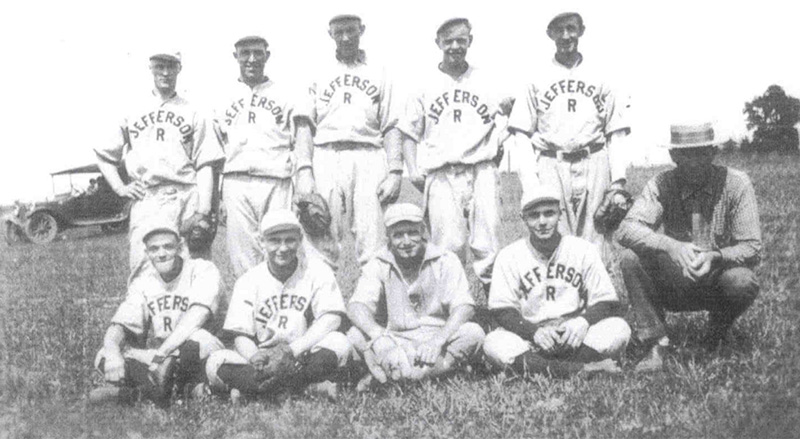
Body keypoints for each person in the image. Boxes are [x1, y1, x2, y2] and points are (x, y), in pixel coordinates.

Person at [617, 122, 761, 371]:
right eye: (686, 154)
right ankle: (655, 342)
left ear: (713, 152)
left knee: (743, 282)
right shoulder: (661, 183)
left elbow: (751, 246)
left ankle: (716, 333)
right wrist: (670, 245)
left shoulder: (737, 183)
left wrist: (716, 256)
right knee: (631, 258)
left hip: (719, 276)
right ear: (673, 156)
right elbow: (627, 228)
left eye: (701, 153)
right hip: (676, 278)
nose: (694, 162)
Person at [398, 18, 512, 292]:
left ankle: (497, 310)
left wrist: (499, 141)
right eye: (448, 40)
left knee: (489, 243)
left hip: (481, 168)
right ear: (438, 43)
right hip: (442, 172)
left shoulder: (485, 78)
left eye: (461, 40)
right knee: (448, 246)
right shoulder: (423, 84)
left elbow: (511, 111)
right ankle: (452, 310)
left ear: (470, 41)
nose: (455, 46)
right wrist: (413, 169)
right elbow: (408, 133)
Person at [95, 50, 224, 278]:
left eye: (171, 66)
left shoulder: (195, 109)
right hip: (148, 197)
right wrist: (120, 187)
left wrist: (203, 211)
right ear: (151, 68)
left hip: (186, 194)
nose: (165, 72)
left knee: (195, 267)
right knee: (144, 267)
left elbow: (205, 163)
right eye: (159, 66)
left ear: (179, 69)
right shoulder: (131, 108)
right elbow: (105, 155)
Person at [507, 12, 630, 249]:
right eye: (559, 30)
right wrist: (531, 181)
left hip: (593, 158)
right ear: (549, 34)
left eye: (571, 28)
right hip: (552, 162)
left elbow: (615, 131)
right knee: (555, 237)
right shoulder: (535, 77)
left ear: (581, 30)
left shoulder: (603, 75)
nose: (566, 35)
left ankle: (592, 286)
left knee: (596, 239)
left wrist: (618, 182)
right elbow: (521, 133)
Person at [483, 186, 630, 377]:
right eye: (534, 215)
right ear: (523, 219)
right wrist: (533, 332)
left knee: (619, 328)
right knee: (493, 342)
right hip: (531, 337)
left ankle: (535, 368)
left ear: (560, 214)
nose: (542, 221)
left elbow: (606, 301)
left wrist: (583, 322)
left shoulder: (583, 249)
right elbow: (502, 310)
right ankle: (583, 368)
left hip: (574, 336)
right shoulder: (509, 255)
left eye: (549, 213)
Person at [294, 14, 404, 268]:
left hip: (369, 155)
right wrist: (304, 170)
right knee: (320, 235)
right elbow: (304, 125)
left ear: (361, 31)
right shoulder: (316, 72)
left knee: (373, 236)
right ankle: (323, 306)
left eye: (351, 31)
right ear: (330, 34)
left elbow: (391, 124)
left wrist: (396, 171)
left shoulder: (379, 71)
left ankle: (374, 305)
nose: (345, 37)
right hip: (326, 154)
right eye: (339, 32)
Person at [205, 210, 351, 401]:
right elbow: (240, 335)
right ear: (262, 242)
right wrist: (255, 357)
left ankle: (258, 392)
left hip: (303, 354)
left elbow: (332, 318)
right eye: (274, 240)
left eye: (289, 240)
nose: (282, 248)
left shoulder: (317, 270)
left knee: (339, 343)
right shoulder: (248, 280)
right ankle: (304, 389)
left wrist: (292, 351)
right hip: (263, 357)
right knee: (215, 362)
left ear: (300, 240)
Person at [347, 203, 485, 387]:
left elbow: (464, 307)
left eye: (412, 232)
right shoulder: (378, 263)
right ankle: (428, 374)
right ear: (388, 236)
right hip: (395, 339)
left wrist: (438, 340)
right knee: (354, 335)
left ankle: (395, 376)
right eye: (398, 235)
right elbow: (357, 306)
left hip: (436, 338)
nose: (406, 241)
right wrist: (379, 337)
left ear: (423, 231)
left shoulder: (445, 260)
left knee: (473, 333)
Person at [89, 222, 224, 407]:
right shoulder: (143, 282)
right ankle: (186, 391)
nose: (161, 254)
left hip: (201, 352)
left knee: (197, 339)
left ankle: (135, 395)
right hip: (164, 360)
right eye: (154, 248)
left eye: (168, 246)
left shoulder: (203, 269)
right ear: (146, 252)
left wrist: (161, 356)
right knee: (103, 354)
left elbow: (196, 317)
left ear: (181, 247)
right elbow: (120, 325)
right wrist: (113, 353)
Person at [214, 35, 315, 278]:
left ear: (266, 56)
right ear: (235, 56)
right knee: (243, 256)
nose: (251, 59)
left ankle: (285, 306)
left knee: (280, 247)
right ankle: (253, 310)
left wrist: (304, 177)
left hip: (275, 180)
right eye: (245, 53)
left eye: (258, 53)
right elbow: (216, 148)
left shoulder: (285, 92)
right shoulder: (221, 96)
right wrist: (218, 195)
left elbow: (302, 135)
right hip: (236, 181)